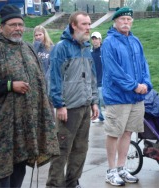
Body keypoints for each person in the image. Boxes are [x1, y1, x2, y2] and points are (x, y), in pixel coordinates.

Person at [0, 4, 60, 188]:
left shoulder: (28, 49)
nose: (18, 28)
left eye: (20, 24)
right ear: (1, 27)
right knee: (1, 170)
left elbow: (39, 83)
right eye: (12, 24)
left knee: (19, 168)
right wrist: (10, 86)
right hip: (1, 130)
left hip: (24, 128)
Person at [46, 11, 99, 188]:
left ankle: (72, 183)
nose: (88, 28)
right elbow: (54, 78)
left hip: (85, 106)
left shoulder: (86, 47)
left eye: (89, 24)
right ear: (73, 26)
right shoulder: (61, 48)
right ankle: (54, 184)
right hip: (68, 109)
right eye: (84, 24)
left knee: (80, 149)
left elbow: (92, 77)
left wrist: (94, 101)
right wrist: (59, 105)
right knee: (61, 150)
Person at [101, 7, 152, 186]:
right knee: (114, 133)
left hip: (136, 98)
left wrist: (146, 83)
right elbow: (114, 71)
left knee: (127, 133)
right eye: (122, 19)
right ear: (115, 21)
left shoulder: (136, 41)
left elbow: (144, 64)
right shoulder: (109, 42)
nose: (126, 22)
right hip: (118, 97)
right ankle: (111, 170)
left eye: (128, 20)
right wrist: (134, 86)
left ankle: (122, 168)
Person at [33, 25, 54, 91]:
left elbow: (52, 66)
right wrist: (35, 47)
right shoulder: (33, 47)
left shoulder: (52, 48)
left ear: (44, 35)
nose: (38, 37)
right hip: (36, 80)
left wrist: (46, 79)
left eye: (40, 34)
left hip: (47, 80)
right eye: (36, 35)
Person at [91, 31, 105, 123]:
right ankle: (100, 116)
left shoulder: (104, 51)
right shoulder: (90, 52)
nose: (95, 41)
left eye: (96, 39)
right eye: (93, 39)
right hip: (94, 80)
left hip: (103, 79)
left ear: (100, 40)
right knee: (96, 99)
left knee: (101, 98)